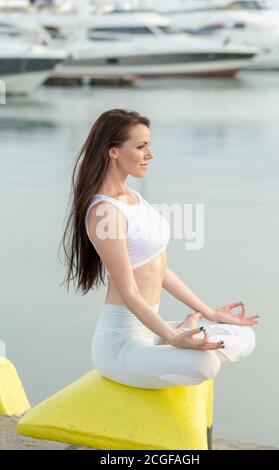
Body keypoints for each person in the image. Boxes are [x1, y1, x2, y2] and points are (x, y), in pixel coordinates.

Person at [60, 108, 259, 389]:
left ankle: (172, 339)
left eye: (149, 146)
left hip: (150, 330)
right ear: (113, 151)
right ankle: (173, 340)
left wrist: (211, 313)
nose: (150, 155)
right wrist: (174, 336)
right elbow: (128, 291)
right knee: (204, 365)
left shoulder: (134, 198)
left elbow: (160, 270)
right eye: (141, 147)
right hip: (121, 345)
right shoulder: (105, 211)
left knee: (242, 334)